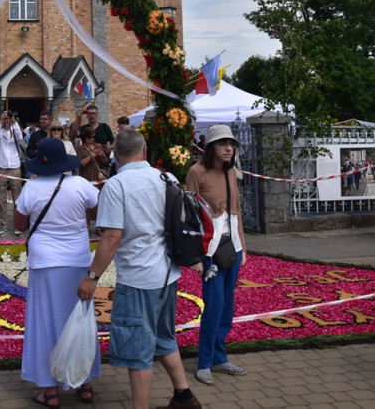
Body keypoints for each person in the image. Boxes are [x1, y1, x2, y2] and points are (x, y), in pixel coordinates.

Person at [77, 129, 201, 409]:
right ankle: (183, 395)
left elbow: (111, 238)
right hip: (168, 273)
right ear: (145, 151)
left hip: (138, 278)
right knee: (163, 336)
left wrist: (92, 277)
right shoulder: (166, 177)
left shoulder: (116, 186)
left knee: (138, 349)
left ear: (116, 156)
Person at [14, 137, 100, 406]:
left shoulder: (31, 188)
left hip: (45, 261)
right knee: (81, 319)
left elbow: (19, 224)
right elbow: (96, 212)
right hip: (77, 258)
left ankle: (50, 391)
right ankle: (84, 384)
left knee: (45, 322)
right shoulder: (80, 185)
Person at [187, 124, 248, 385]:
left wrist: (243, 247)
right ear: (210, 146)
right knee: (214, 307)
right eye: (223, 143)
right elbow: (189, 218)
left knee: (227, 308)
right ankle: (204, 362)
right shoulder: (196, 172)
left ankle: (219, 358)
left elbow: (236, 211)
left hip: (231, 247)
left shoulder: (231, 171)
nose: (228, 148)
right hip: (210, 252)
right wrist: (196, 258)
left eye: (232, 144)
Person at [0, 111, 24, 237]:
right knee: (1, 197)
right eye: (5, 119)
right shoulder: (0, 131)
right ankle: (3, 225)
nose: (7, 121)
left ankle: (17, 225)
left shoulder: (14, 130)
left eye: (8, 119)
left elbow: (20, 136)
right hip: (2, 166)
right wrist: (0, 120)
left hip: (15, 165)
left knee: (17, 197)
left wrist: (13, 120)